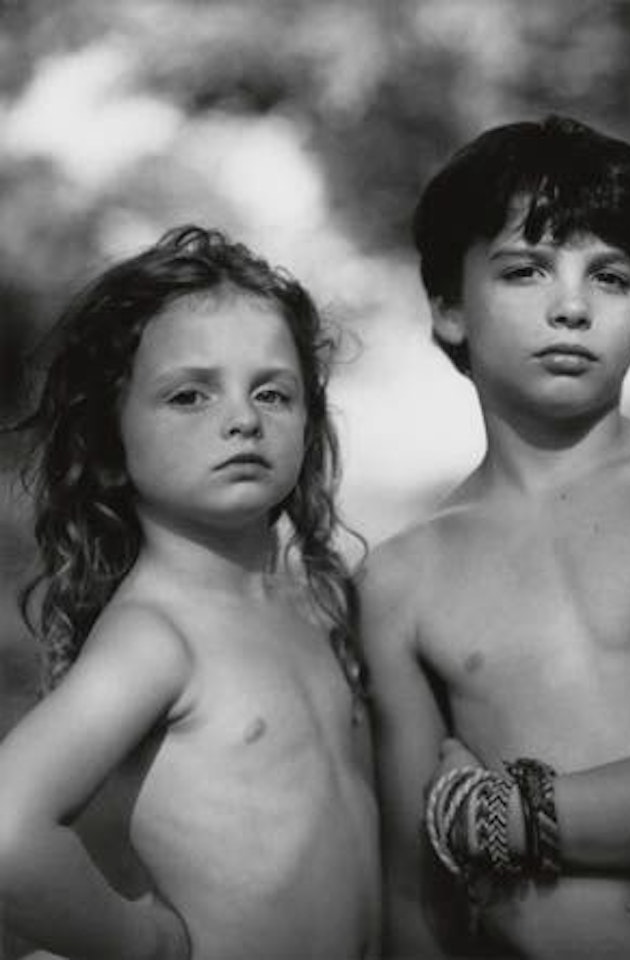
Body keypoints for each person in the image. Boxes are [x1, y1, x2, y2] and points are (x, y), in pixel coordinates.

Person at [358, 115, 630, 958]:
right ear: (449, 308)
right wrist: (452, 833)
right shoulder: (402, 580)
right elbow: (416, 888)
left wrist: (489, 816)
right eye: (525, 270)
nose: (570, 306)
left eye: (610, 276)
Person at [0, 226, 380, 960]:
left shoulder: (308, 607)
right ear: (108, 449)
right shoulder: (156, 638)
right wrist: (140, 944)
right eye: (188, 396)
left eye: (272, 392)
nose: (243, 419)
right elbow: (9, 828)